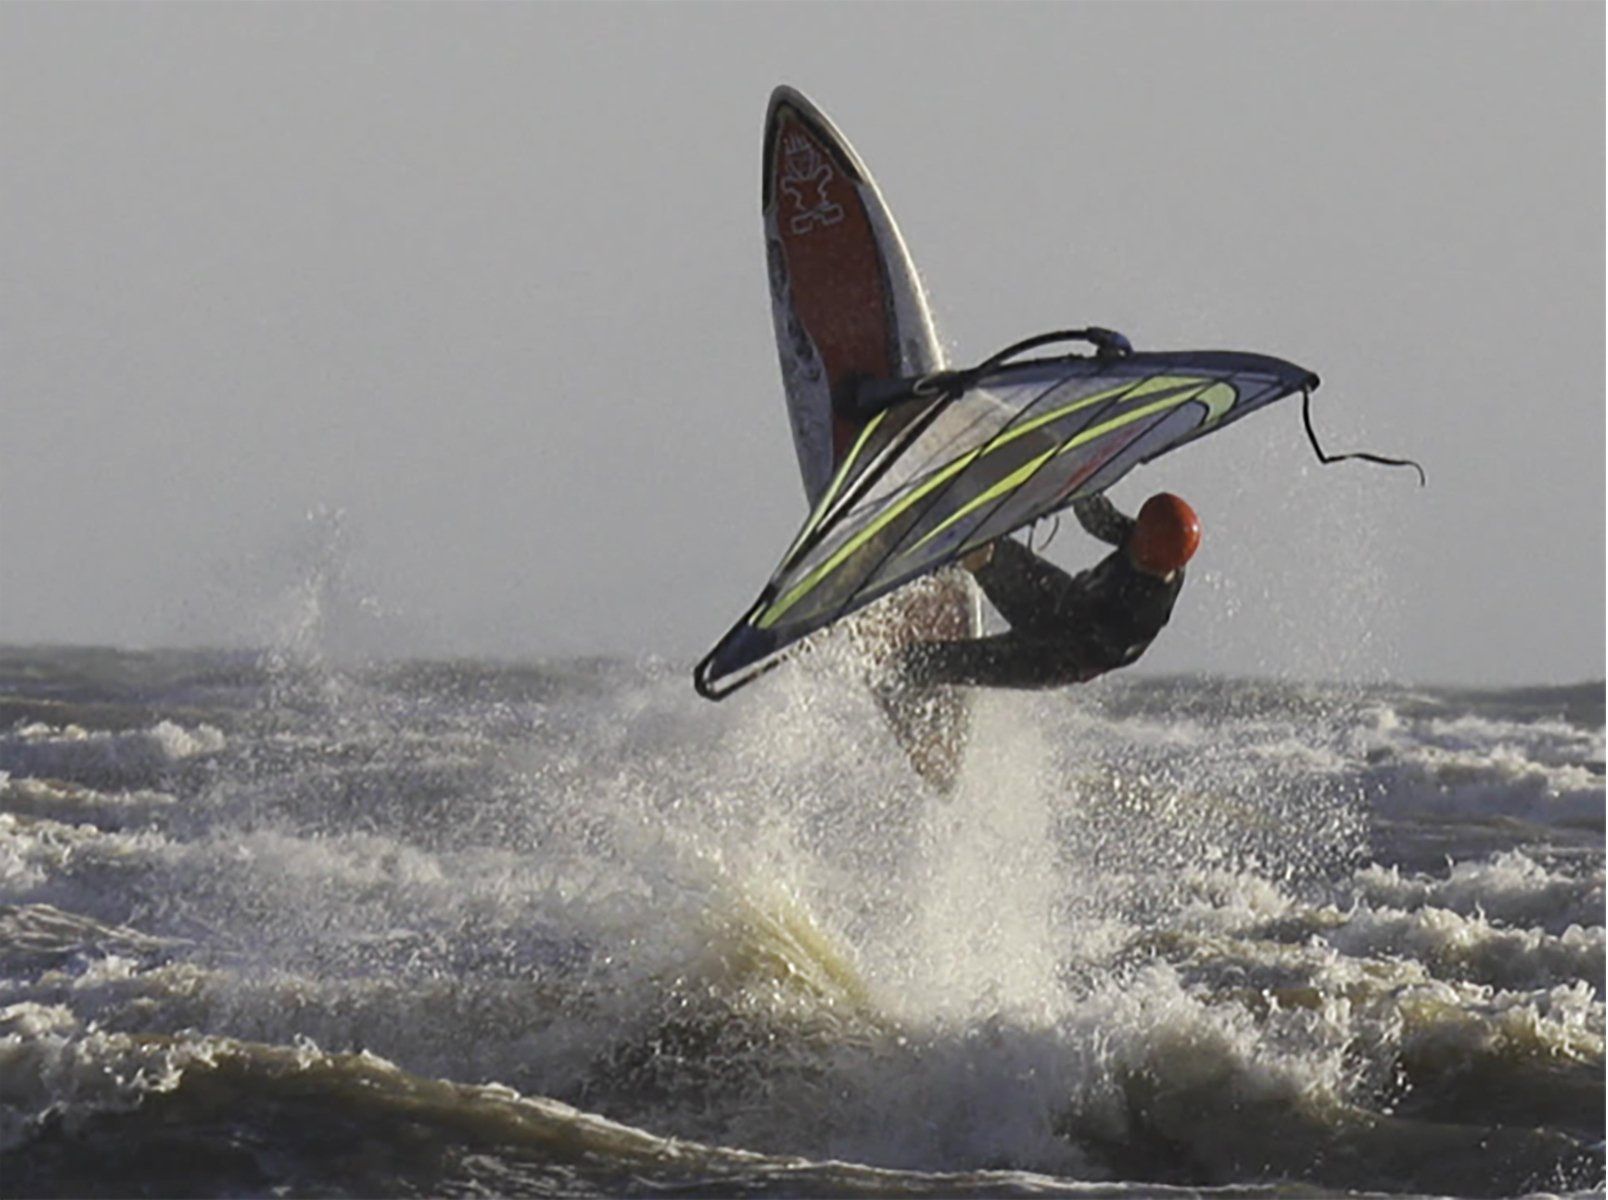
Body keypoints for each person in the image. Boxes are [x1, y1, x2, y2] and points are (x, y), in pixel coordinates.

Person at [899, 492, 1200, 689]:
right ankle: (914, 561)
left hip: (1051, 655)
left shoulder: (1137, 611)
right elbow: (1099, 521)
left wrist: (990, 573)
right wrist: (1078, 474)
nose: (1131, 534)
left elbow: (1052, 629)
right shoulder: (1159, 544)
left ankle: (902, 668)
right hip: (1062, 597)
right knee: (977, 540)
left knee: (929, 661)